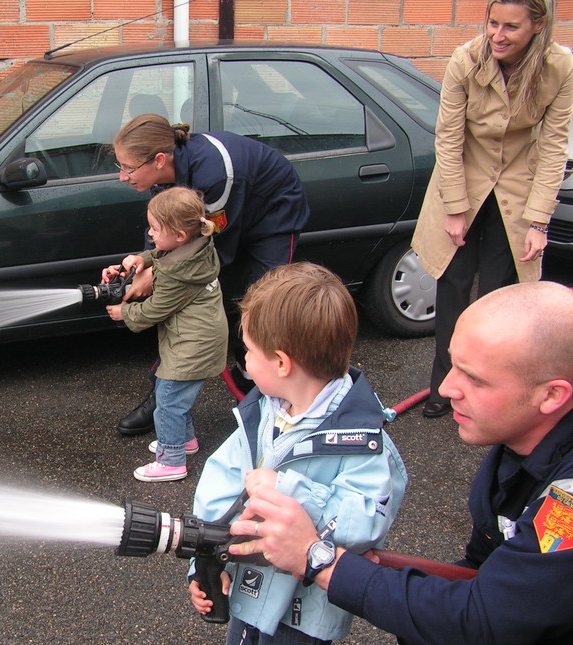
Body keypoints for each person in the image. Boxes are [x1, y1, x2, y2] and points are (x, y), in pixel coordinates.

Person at [228, 280, 573, 644]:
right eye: (452, 364)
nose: (445, 389)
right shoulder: (518, 447)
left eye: (475, 379)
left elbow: (488, 620)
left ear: (551, 395)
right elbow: (481, 570)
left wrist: (317, 559)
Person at [189, 263, 407, 643]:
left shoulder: (363, 439)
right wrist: (203, 559)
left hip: (306, 613)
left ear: (281, 362)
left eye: (249, 351)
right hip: (248, 590)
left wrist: (290, 492)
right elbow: (218, 492)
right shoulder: (260, 415)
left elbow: (366, 521)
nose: (245, 362)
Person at [412, 0, 573, 418]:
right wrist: (454, 208)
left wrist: (539, 221)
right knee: (453, 285)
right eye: (492, 23)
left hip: (518, 186)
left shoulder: (560, 66)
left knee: (499, 293)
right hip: (462, 178)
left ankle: (485, 389)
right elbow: (447, 138)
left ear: (538, 26)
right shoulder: (465, 60)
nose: (498, 35)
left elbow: (554, 145)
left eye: (511, 27)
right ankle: (443, 388)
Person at [109, 114, 311, 435]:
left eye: (128, 167)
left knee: (268, 308)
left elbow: (207, 246)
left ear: (159, 160)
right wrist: (145, 265)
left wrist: (158, 276)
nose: (122, 177)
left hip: (270, 215)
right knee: (190, 312)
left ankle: (260, 390)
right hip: (221, 220)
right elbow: (166, 229)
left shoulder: (214, 175)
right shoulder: (165, 176)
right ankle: (163, 397)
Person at [104, 186, 228, 482]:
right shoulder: (196, 245)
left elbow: (154, 310)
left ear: (179, 235)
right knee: (175, 397)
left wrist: (125, 313)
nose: (150, 233)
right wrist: (142, 259)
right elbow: (162, 251)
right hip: (197, 338)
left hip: (193, 345)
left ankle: (172, 460)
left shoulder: (177, 274)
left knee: (168, 401)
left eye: (155, 229)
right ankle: (184, 442)